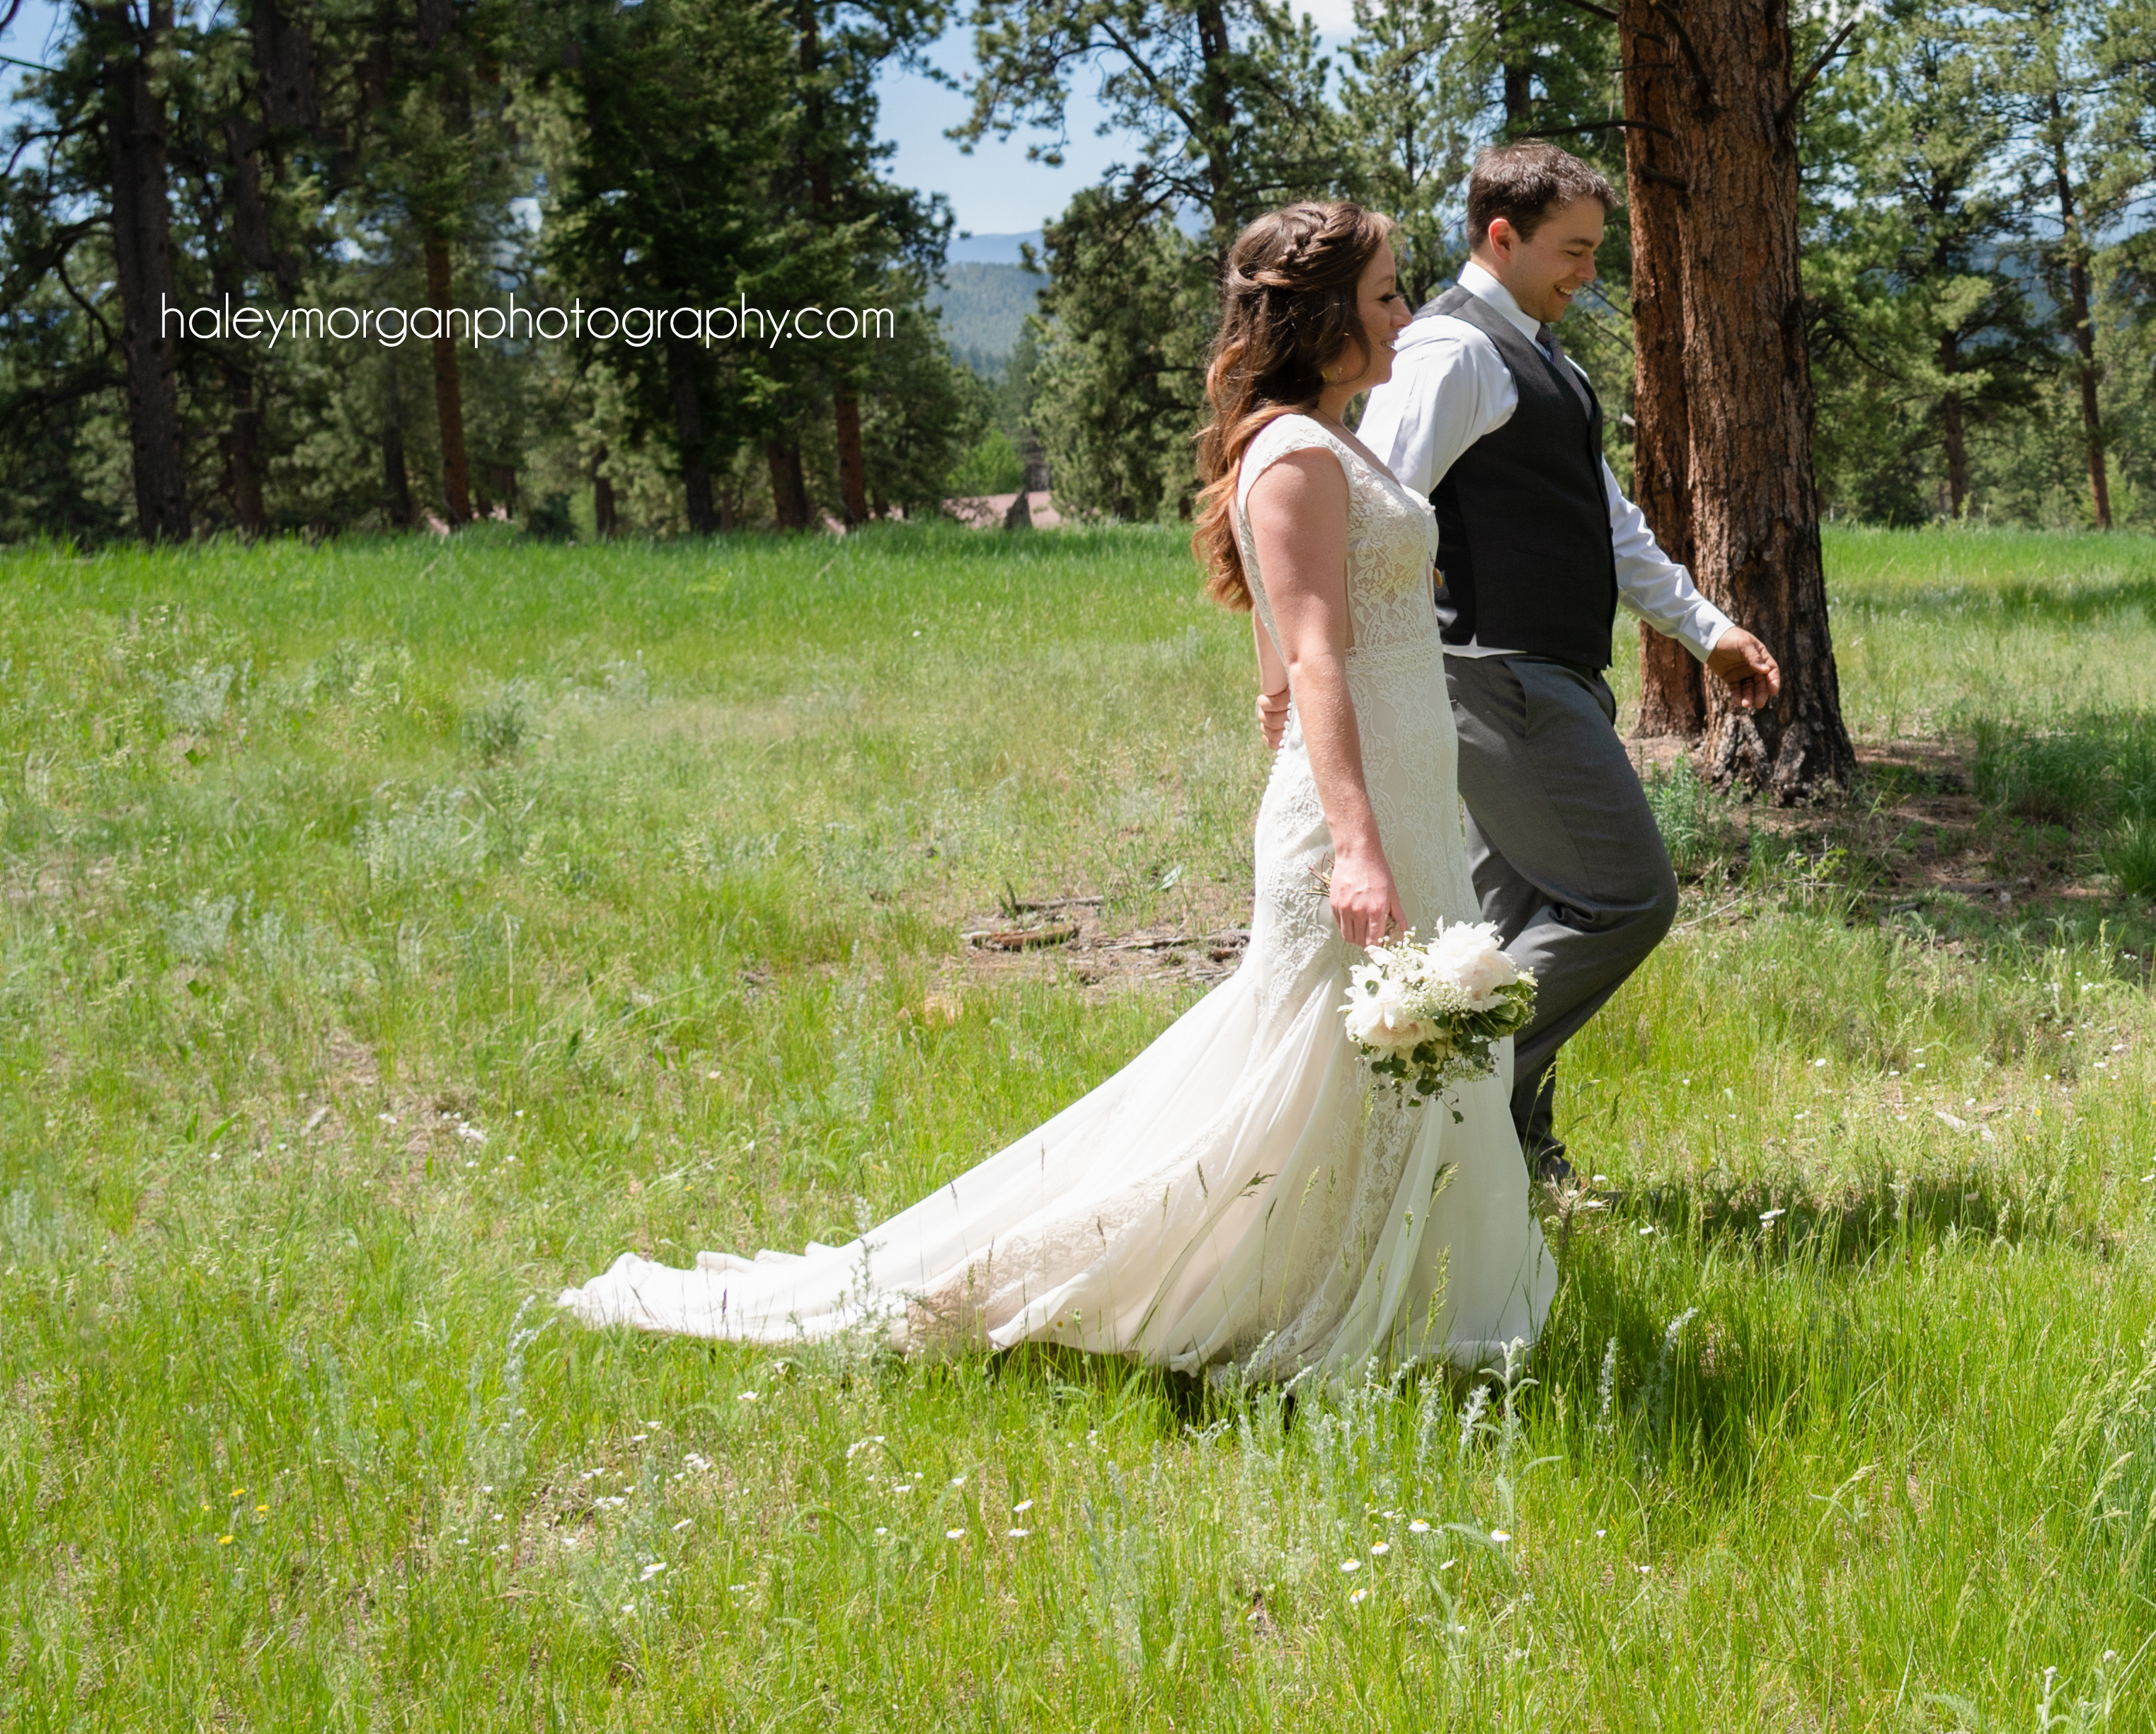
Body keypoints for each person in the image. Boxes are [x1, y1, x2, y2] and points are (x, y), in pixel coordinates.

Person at [558, 200, 1554, 1377]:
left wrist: (1313, 740)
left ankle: (1397, 1310)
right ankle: (1241, 1303)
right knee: (1308, 1077)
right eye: (1386, 295)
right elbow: (1317, 649)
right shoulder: (1291, 454)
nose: (1402, 314)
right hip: (1361, 816)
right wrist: (1354, 844)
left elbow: (1282, 660)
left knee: (1391, 1066)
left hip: (1399, 795)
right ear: (1328, 317)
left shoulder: (1331, 439)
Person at [1316, 140, 1778, 1188]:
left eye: (1595, 251)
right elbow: (1380, 510)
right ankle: (1439, 1098)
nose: (1589, 273)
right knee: (1624, 900)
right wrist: (1373, 679)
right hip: (1497, 678)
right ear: (1501, 237)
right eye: (1572, 251)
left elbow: (1609, 526)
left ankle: (1509, 1166)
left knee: (1506, 928)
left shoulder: (1542, 358)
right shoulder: (1451, 352)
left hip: (1538, 677)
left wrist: (1709, 632)